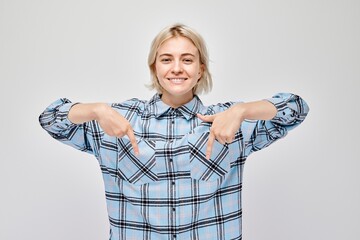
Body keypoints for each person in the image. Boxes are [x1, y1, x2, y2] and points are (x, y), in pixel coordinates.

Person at [39, 23, 309, 240]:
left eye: (187, 59)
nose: (177, 68)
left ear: (200, 69)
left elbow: (297, 107)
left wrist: (241, 110)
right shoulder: (117, 120)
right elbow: (49, 119)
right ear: (154, 68)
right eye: (166, 59)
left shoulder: (228, 122)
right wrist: (95, 110)